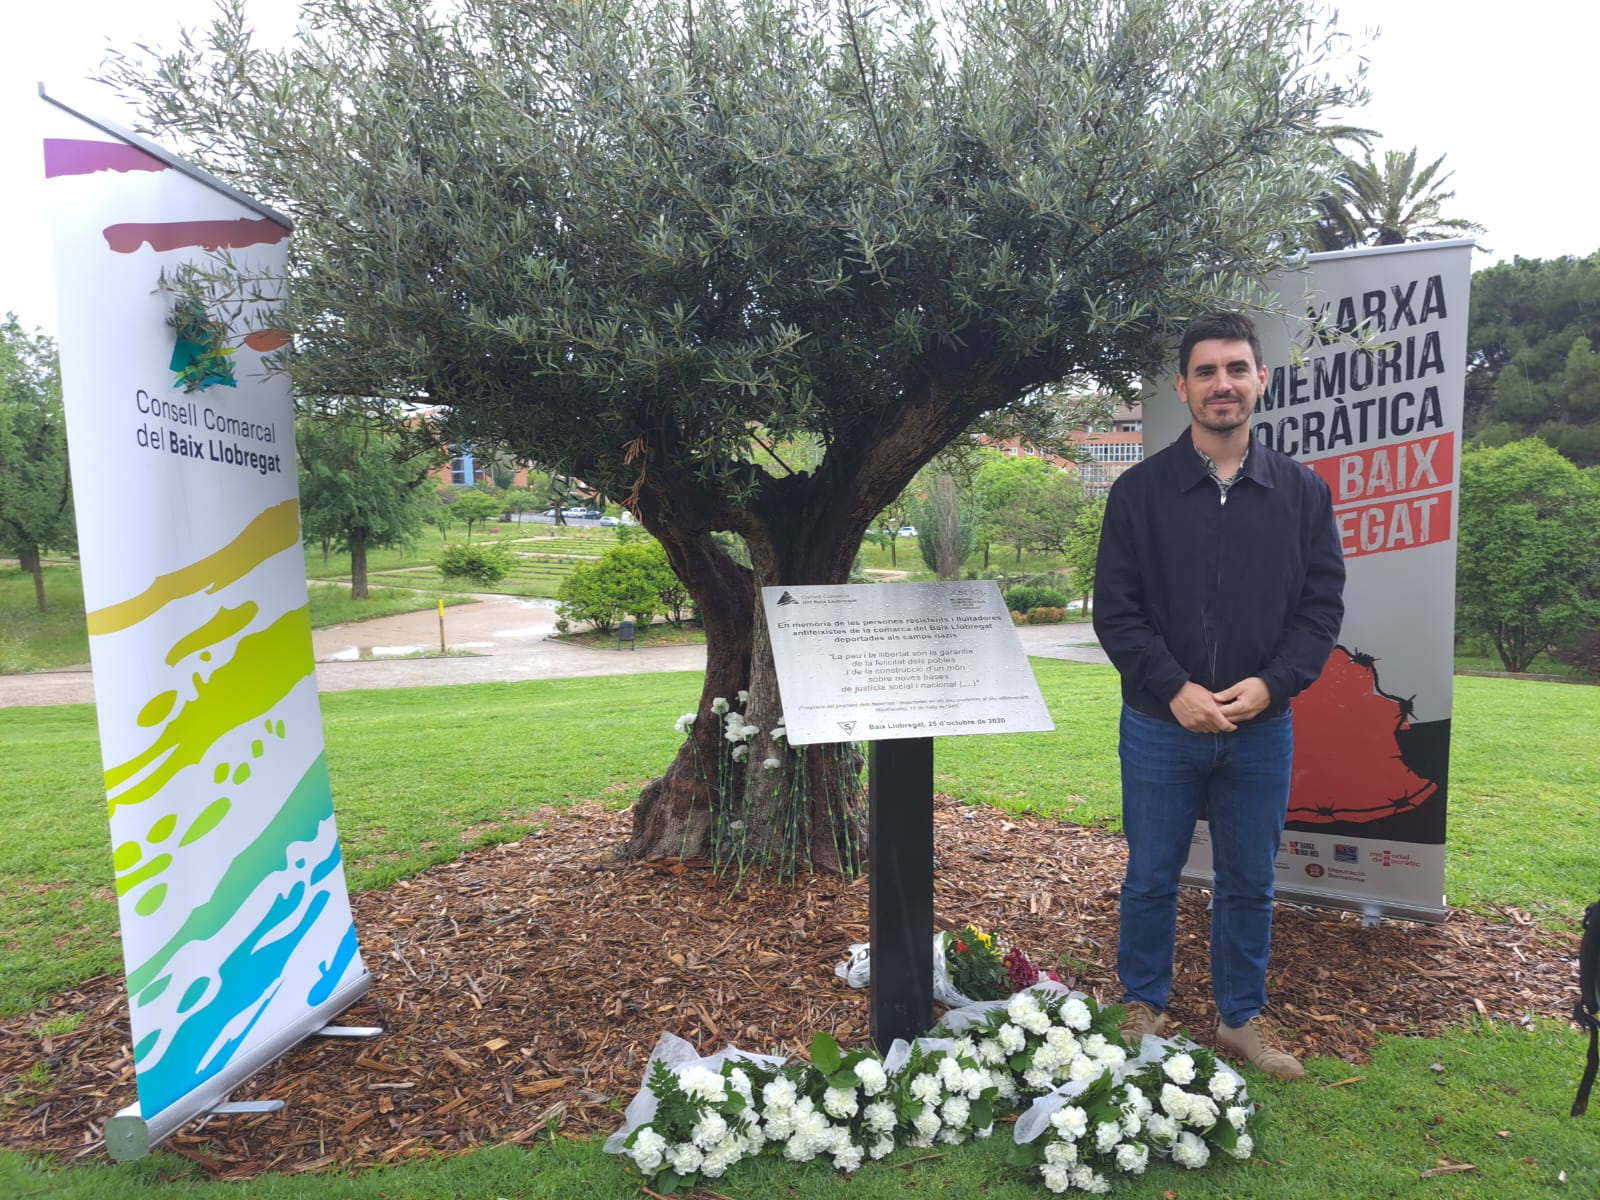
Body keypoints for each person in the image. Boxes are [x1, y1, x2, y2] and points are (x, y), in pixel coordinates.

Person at [1091, 310, 1345, 1079]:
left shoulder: (1300, 494)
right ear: (1182, 387)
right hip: (1161, 725)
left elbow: (1320, 609)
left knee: (1248, 880)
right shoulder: (1138, 493)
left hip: (1261, 729)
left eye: (1237, 369)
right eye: (1206, 371)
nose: (1223, 384)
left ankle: (1240, 1018)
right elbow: (1117, 611)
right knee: (1151, 875)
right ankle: (1144, 1006)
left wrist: (1270, 686)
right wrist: (1175, 692)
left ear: (1260, 380)